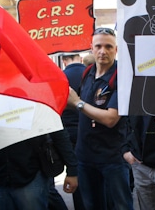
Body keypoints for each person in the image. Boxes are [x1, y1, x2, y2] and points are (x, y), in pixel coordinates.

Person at [67, 27, 133, 210]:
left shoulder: (122, 76)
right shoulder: (87, 73)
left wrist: (78, 103)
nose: (103, 51)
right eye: (98, 46)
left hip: (112, 156)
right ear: (91, 49)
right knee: (91, 205)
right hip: (85, 155)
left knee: (121, 205)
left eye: (108, 47)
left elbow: (111, 118)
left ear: (116, 49)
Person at [60, 54, 86, 210]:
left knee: (75, 174)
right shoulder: (90, 74)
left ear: (63, 61)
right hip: (88, 130)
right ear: (80, 59)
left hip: (67, 133)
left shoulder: (60, 77)